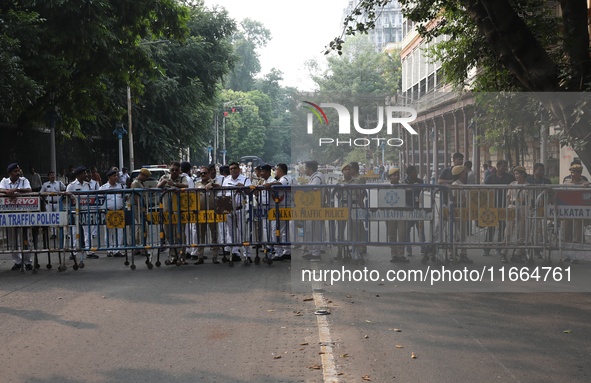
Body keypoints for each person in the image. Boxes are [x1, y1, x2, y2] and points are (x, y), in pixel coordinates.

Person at [0, 163, 33, 270]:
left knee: (26, 239)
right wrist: (7, 191)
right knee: (12, 239)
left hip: (23, 213)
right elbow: (0, 190)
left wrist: (17, 190)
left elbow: (29, 189)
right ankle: (17, 261)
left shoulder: (24, 180)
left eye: (18, 170)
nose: (18, 173)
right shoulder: (4, 181)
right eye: (15, 171)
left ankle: (28, 261)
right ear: (10, 173)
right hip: (10, 214)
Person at [157, 162, 189, 264]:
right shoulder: (164, 177)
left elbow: (185, 185)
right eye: (172, 170)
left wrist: (174, 184)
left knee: (180, 234)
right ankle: (172, 255)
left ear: (179, 170)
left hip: (179, 210)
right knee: (168, 234)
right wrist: (162, 184)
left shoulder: (182, 178)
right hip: (167, 210)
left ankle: (182, 255)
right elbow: (158, 186)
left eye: (176, 170)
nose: (174, 172)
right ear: (169, 170)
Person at [483, 159, 516, 259]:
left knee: (502, 227)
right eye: (503, 166)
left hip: (504, 206)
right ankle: (486, 248)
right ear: (498, 166)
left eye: (506, 166)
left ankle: (499, 248)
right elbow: (485, 191)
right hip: (492, 206)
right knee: (490, 227)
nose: (505, 168)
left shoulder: (510, 177)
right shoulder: (490, 178)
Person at [66, 166, 98, 263]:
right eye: (84, 173)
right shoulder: (71, 185)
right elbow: (67, 198)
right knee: (74, 231)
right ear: (79, 175)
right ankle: (73, 251)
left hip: (86, 210)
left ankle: (89, 250)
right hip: (74, 211)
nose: (86, 175)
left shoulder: (87, 185)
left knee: (88, 230)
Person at [222, 162, 252, 264]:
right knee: (231, 232)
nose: (233, 170)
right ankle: (234, 253)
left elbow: (249, 192)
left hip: (240, 208)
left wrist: (243, 188)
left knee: (243, 232)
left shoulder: (245, 179)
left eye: (235, 168)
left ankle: (247, 254)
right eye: (231, 169)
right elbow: (222, 194)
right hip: (229, 209)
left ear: (239, 169)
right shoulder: (226, 180)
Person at [501, 166, 530, 263]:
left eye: (518, 174)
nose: (516, 176)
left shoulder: (528, 186)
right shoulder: (512, 184)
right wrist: (506, 209)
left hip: (523, 206)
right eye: (515, 174)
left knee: (521, 230)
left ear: (523, 174)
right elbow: (508, 197)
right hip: (512, 206)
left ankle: (518, 252)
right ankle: (504, 252)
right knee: (508, 231)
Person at [194, 166, 220, 264]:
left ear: (209, 174)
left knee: (214, 234)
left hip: (212, 212)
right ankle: (200, 256)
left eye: (205, 173)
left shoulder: (213, 183)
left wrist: (212, 184)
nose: (203, 175)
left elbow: (220, 187)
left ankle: (214, 256)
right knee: (200, 235)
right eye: (201, 173)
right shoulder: (197, 184)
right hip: (200, 213)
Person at [302, 160, 325, 260]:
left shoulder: (317, 177)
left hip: (315, 208)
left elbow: (312, 189)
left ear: (310, 169)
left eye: (306, 168)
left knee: (315, 230)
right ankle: (312, 251)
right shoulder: (315, 176)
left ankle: (316, 253)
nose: (304, 170)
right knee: (310, 230)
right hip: (311, 208)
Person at [450, 164, 473, 264]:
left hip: (462, 211)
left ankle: (463, 254)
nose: (465, 174)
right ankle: (453, 254)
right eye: (464, 172)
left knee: (462, 234)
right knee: (456, 234)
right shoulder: (456, 184)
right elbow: (454, 199)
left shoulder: (460, 183)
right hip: (457, 210)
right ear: (460, 173)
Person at [100, 169, 125, 257]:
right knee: (108, 232)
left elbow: (124, 197)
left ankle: (117, 250)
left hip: (118, 212)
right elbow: (100, 201)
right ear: (109, 177)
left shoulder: (120, 186)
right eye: (114, 176)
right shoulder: (103, 188)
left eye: (116, 176)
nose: (116, 177)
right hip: (108, 212)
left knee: (119, 231)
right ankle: (109, 249)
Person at [563, 163, 589, 244]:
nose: (573, 174)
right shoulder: (566, 183)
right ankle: (566, 242)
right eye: (572, 172)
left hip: (579, 208)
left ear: (580, 173)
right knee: (566, 225)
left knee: (578, 225)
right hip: (567, 208)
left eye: (576, 172)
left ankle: (578, 243)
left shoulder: (585, 183)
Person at [387, 167, 409, 263]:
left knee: (402, 234)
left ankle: (401, 254)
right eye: (394, 175)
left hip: (401, 213)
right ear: (390, 177)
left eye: (397, 175)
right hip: (389, 214)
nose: (396, 177)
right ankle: (393, 254)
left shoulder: (403, 186)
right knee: (391, 235)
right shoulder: (385, 188)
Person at [404, 165, 426, 259]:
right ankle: (408, 249)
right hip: (408, 207)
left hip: (418, 207)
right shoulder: (404, 182)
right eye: (413, 172)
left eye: (416, 172)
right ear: (409, 174)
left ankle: (423, 248)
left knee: (420, 228)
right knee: (407, 229)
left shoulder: (420, 181)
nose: (415, 173)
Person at [129, 168, 151, 254]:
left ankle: (138, 246)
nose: (147, 179)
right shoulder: (135, 183)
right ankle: (140, 246)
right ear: (142, 175)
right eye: (146, 177)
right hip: (137, 207)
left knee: (141, 226)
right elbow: (135, 196)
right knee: (142, 226)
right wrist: (141, 207)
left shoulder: (141, 183)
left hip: (141, 207)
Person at [40, 171, 66, 239]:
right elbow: (41, 193)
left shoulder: (59, 183)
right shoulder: (45, 184)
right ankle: (53, 233)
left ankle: (63, 233)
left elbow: (65, 190)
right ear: (48, 177)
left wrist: (62, 198)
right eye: (51, 175)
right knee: (51, 218)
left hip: (57, 203)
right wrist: (44, 200)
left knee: (59, 217)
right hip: (49, 203)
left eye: (53, 175)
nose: (52, 176)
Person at [180, 161, 198, 260]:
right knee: (191, 230)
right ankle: (192, 251)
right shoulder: (188, 179)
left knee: (187, 230)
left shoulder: (183, 179)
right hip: (188, 207)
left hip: (184, 207)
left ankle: (188, 250)